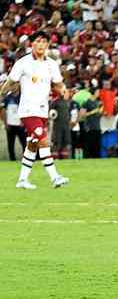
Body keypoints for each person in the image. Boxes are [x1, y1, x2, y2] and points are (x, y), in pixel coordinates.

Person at [0, 31, 69, 189]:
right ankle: (55, 177)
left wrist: (64, 90)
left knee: (33, 143)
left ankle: (22, 180)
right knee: (43, 139)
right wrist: (1, 93)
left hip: (42, 111)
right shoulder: (23, 63)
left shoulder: (51, 64)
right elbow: (11, 82)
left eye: (44, 41)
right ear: (32, 44)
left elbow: (58, 84)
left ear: (47, 45)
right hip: (28, 110)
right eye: (38, 41)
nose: (41, 44)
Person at [1, 92, 26, 161]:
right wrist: (5, 123)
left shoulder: (23, 96)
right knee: (10, 144)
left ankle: (26, 159)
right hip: (10, 125)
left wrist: (24, 122)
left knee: (24, 143)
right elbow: (2, 110)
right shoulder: (7, 97)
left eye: (14, 85)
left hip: (20, 124)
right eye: (11, 85)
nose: (13, 87)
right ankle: (12, 160)